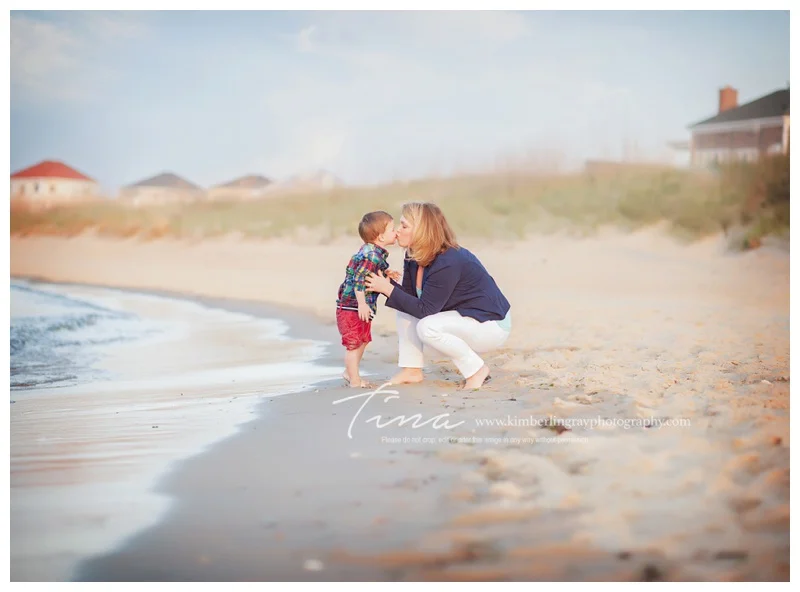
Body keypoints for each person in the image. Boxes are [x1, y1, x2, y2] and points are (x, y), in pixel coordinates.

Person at [365, 202, 511, 390]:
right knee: (403, 310)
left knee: (428, 326)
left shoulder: (448, 261)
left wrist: (387, 289)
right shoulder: (413, 255)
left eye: (404, 226)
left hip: (491, 324)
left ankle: (477, 371)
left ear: (422, 231)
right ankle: (412, 370)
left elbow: (426, 310)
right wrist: (386, 283)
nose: (398, 231)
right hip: (464, 317)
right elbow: (409, 300)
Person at [336, 211, 400, 388]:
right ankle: (354, 380)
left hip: (361, 306)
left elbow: (370, 270)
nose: (396, 233)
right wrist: (362, 304)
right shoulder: (370, 254)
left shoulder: (375, 253)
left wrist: (387, 272)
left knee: (363, 339)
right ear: (380, 237)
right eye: (392, 229)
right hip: (353, 306)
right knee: (354, 343)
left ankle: (350, 372)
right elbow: (359, 278)